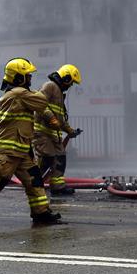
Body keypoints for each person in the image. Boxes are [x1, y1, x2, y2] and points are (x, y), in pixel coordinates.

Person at [0, 58, 64, 226]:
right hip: (10, 150)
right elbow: (42, 101)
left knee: (34, 180)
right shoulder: (18, 94)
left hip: (20, 149)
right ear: (18, 78)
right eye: (27, 76)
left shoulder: (12, 95)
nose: (30, 79)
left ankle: (41, 213)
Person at [33, 64, 83, 195]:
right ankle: (32, 183)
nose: (70, 86)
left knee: (60, 157)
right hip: (42, 133)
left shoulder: (60, 93)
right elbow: (40, 104)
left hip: (53, 135)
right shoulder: (49, 86)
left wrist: (71, 131)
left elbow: (60, 119)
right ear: (66, 78)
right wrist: (51, 118)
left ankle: (57, 187)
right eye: (71, 82)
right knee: (47, 158)